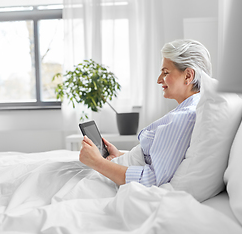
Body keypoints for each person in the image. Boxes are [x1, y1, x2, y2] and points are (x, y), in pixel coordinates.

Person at [79, 39, 212, 187]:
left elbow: (151, 180)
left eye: (165, 72)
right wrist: (120, 156)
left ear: (188, 76)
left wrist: (97, 162)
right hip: (115, 167)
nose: (159, 80)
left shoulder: (184, 117)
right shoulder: (186, 110)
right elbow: (157, 158)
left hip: (110, 180)